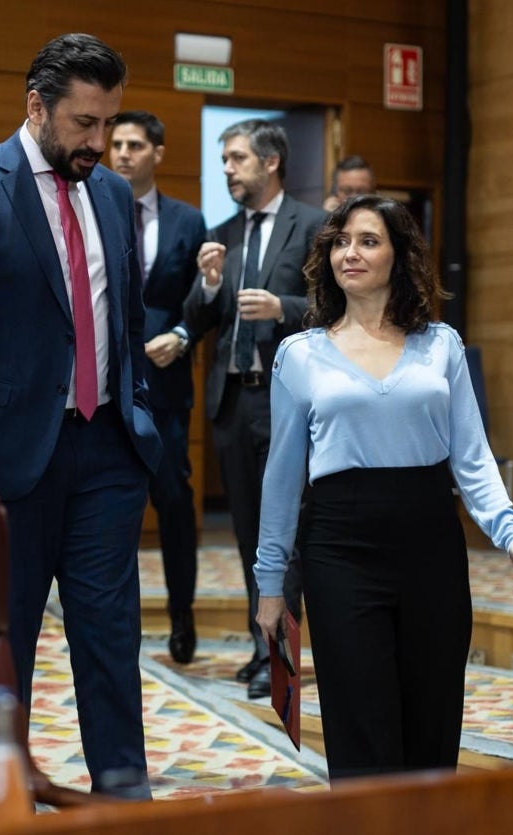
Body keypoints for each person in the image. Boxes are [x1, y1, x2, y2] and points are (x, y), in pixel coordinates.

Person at [0, 34, 161, 800]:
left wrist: (136, 414)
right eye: (85, 124)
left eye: (108, 123)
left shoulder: (114, 196)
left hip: (107, 453)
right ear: (36, 107)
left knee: (111, 641)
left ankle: (125, 800)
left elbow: (123, 316)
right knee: (4, 645)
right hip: (4, 464)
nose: (98, 143)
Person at [255, 194, 513, 781]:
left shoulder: (442, 344)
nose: (350, 253)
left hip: (431, 540)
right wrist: (269, 582)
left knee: (431, 721)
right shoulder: (299, 354)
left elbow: (472, 453)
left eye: (367, 240)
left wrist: (507, 530)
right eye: (339, 242)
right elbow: (281, 475)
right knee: (361, 722)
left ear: (399, 255)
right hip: (339, 547)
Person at [182, 119, 324, 700]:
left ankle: (282, 658)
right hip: (233, 401)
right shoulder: (221, 233)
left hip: (285, 399)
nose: (226, 170)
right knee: (246, 535)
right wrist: (210, 284)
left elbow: (332, 304)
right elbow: (196, 318)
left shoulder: (313, 226)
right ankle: (258, 644)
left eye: (236, 158)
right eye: (223, 160)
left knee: (283, 537)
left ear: (270, 163)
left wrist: (282, 306)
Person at [109, 110, 207, 664]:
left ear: (157, 152)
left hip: (165, 385)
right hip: (104, 383)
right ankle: (119, 624)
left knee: (172, 502)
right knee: (112, 507)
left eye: (134, 144)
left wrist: (184, 333)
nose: (121, 152)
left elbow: (205, 299)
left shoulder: (189, 221)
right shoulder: (91, 206)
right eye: (116, 143)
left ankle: (182, 617)